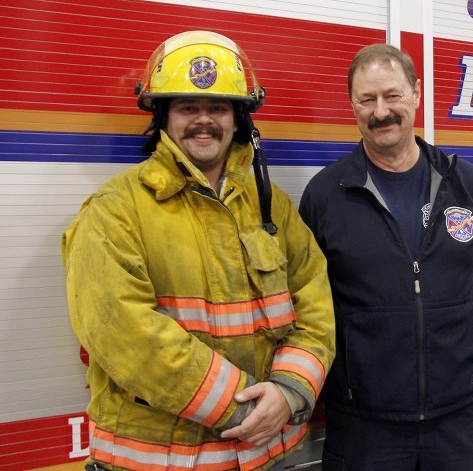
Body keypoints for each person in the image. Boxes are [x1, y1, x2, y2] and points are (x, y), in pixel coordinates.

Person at [62, 31, 335, 471]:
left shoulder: (272, 206)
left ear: (238, 118)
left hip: (265, 458)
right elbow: (122, 332)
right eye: (188, 107)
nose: (203, 120)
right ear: (164, 117)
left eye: (218, 107)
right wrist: (247, 410)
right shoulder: (114, 211)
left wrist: (289, 390)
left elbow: (315, 303)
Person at [299, 43, 473, 470]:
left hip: (457, 420)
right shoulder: (325, 197)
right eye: (367, 99)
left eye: (392, 95)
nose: (381, 111)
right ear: (352, 105)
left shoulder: (468, 185)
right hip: (364, 426)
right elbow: (311, 305)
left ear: (416, 94)